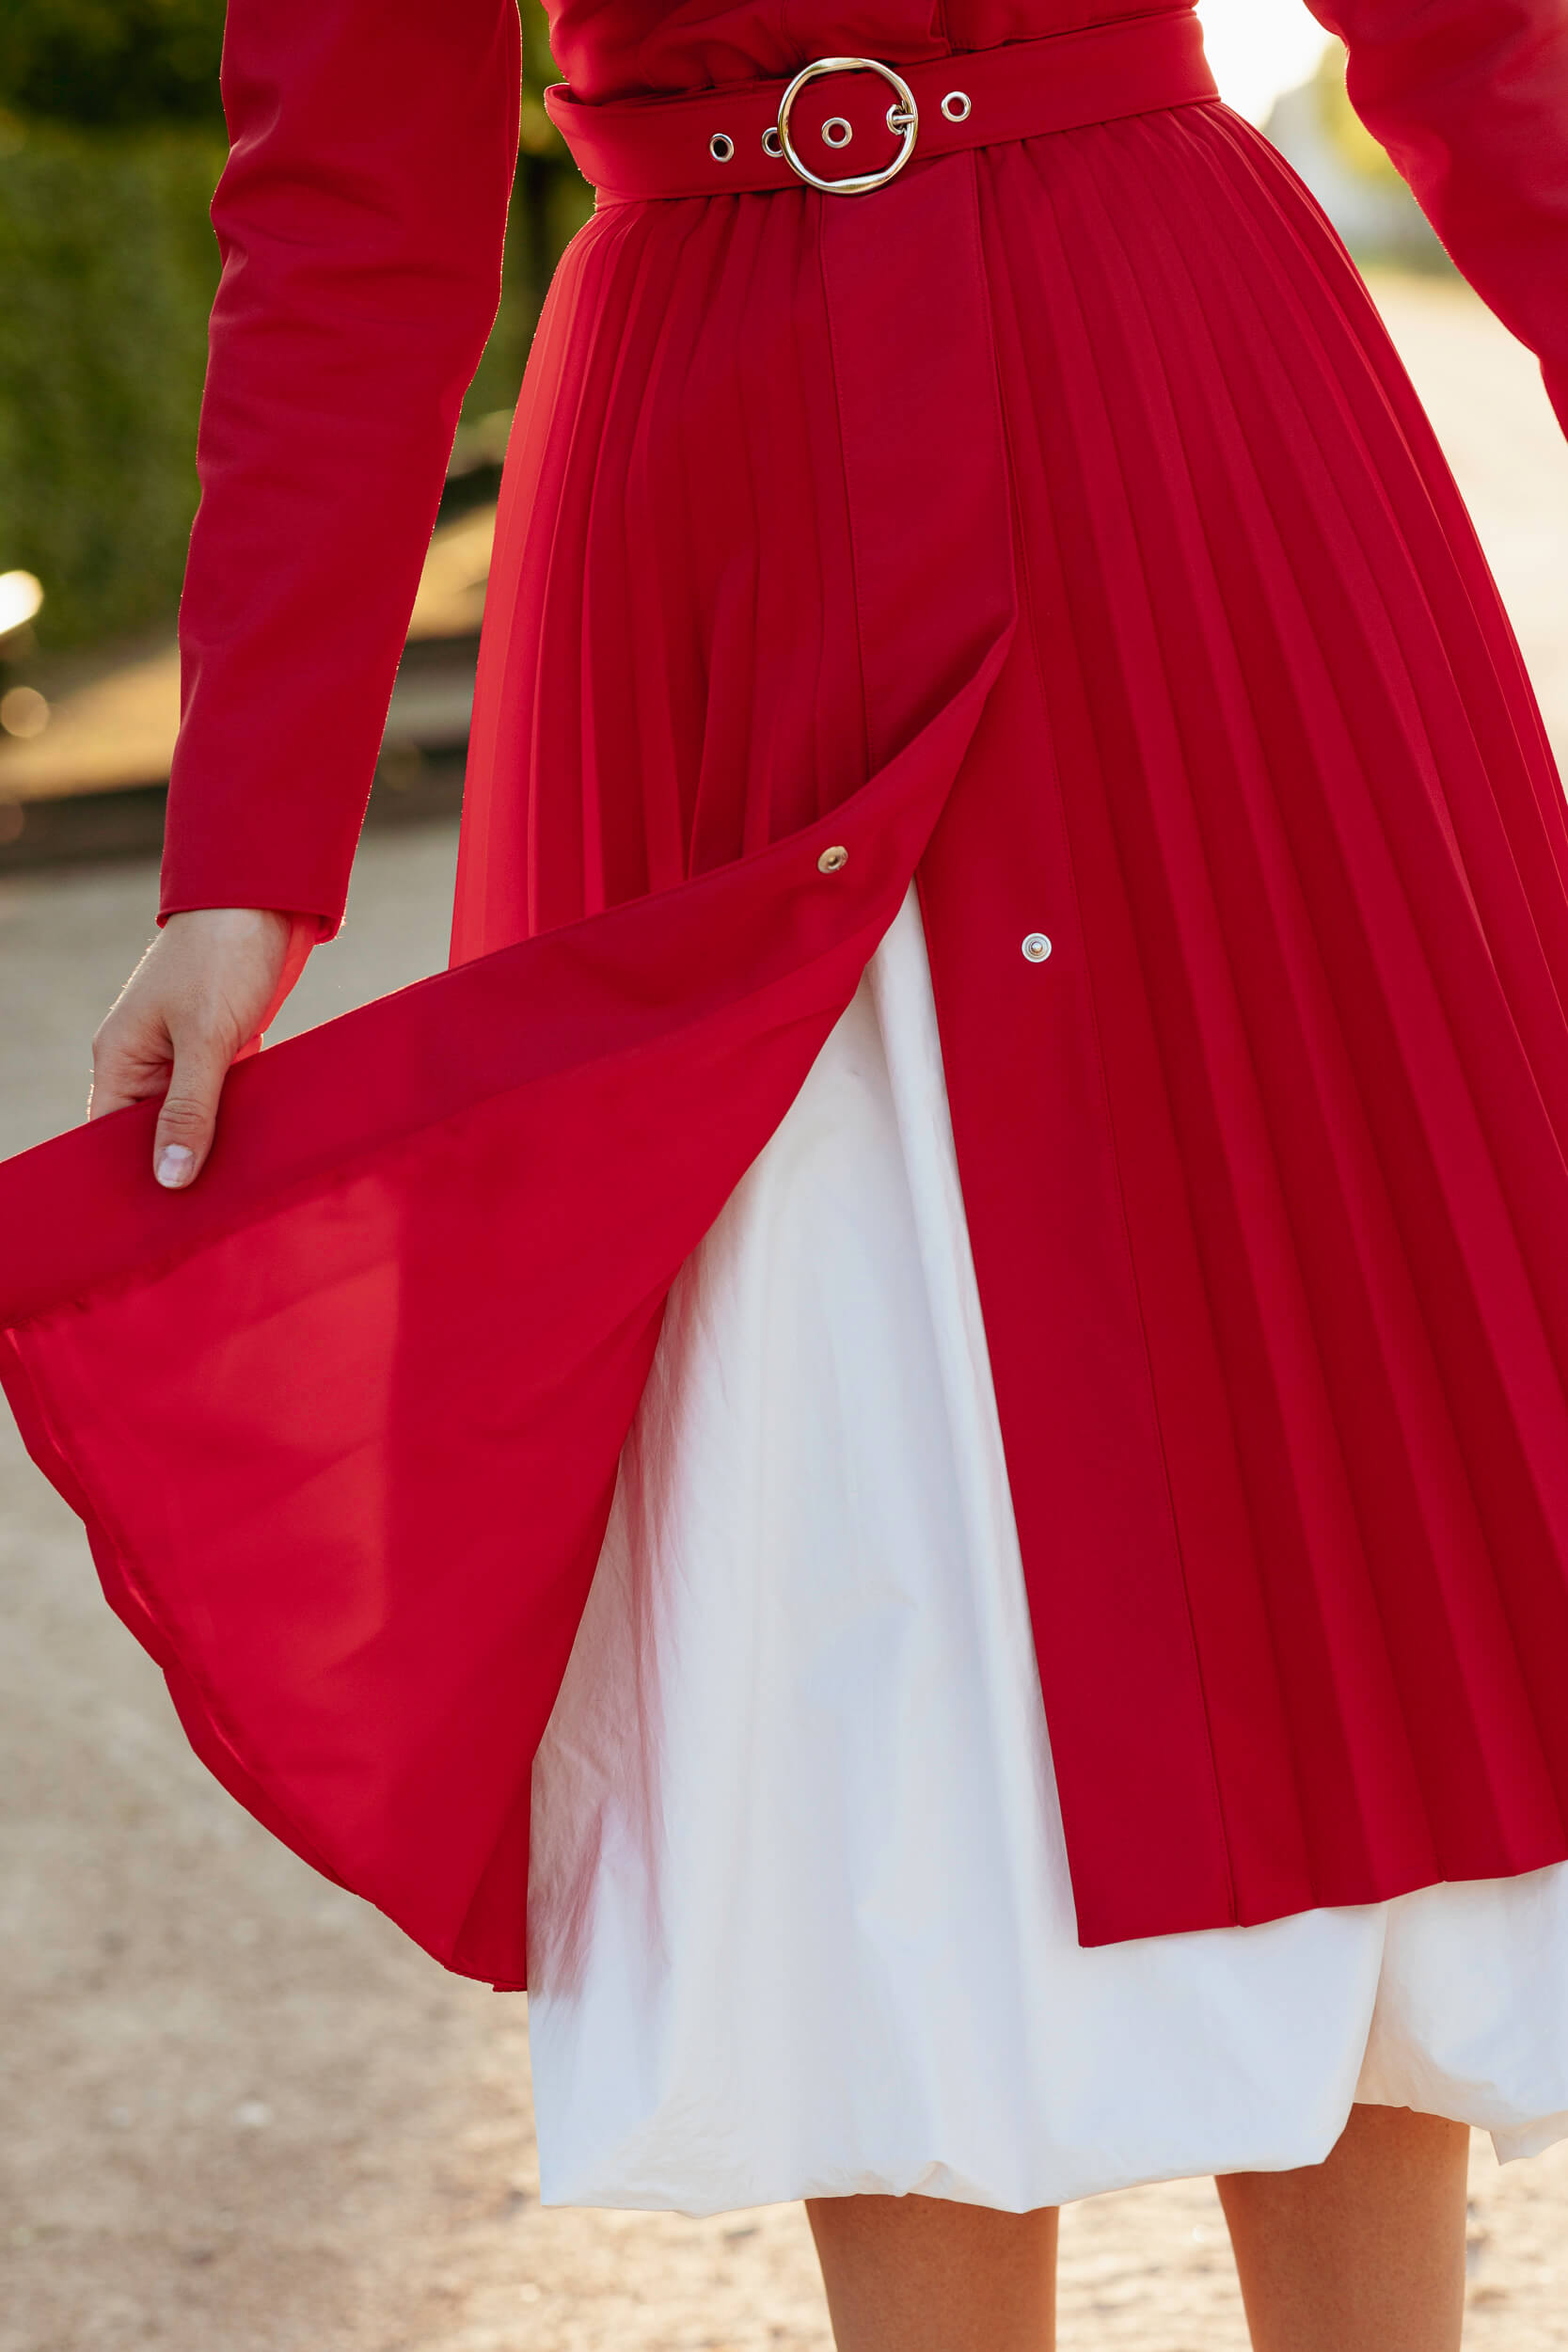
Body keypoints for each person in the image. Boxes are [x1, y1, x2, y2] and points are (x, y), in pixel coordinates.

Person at [56, 0, 1568, 2344]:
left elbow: (1476, 33)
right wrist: (247, 849)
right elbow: (354, 196)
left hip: (1183, 452)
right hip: (713, 561)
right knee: (829, 1511)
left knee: (1309, 1449)